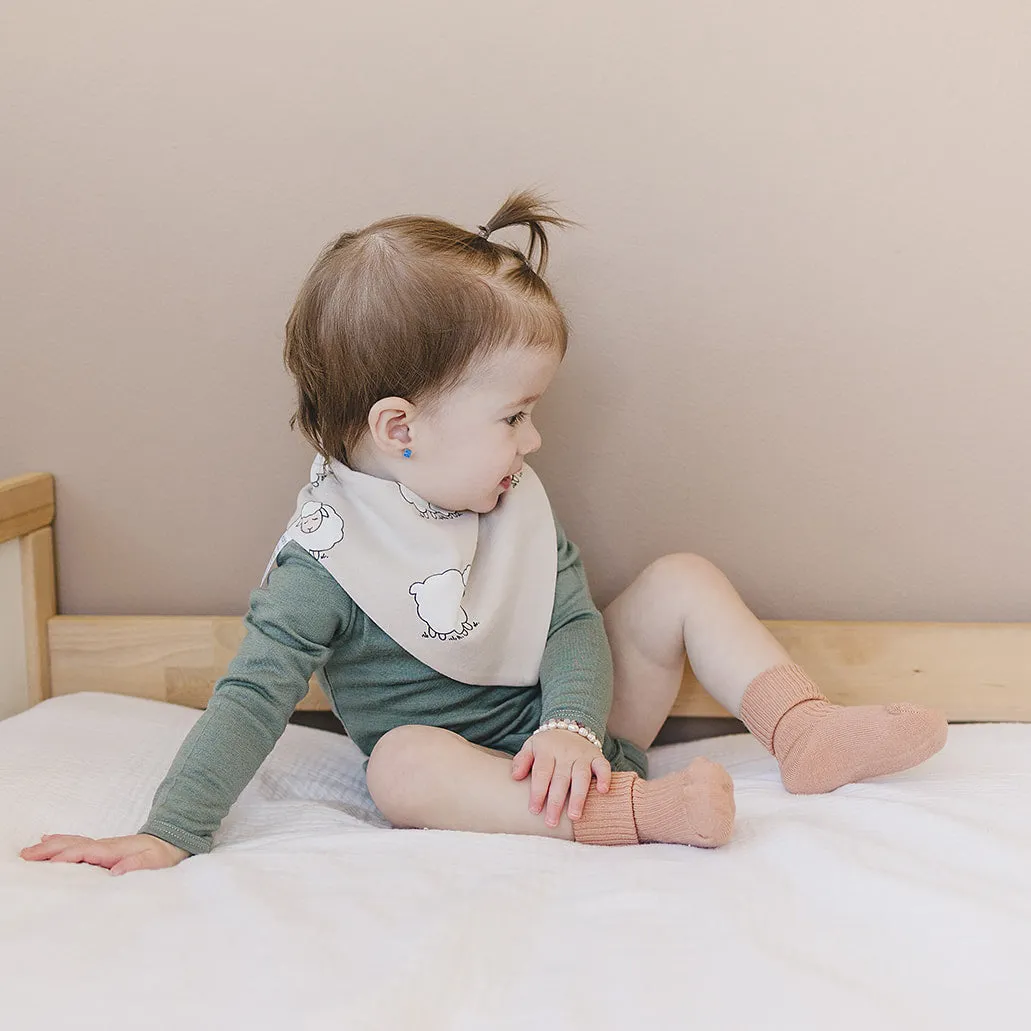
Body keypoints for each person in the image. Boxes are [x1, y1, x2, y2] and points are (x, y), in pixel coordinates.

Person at [21, 191, 948, 875]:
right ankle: (632, 813)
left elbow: (571, 623)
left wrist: (573, 727)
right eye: (513, 416)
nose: (532, 441)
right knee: (398, 766)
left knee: (680, 577)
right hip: (481, 777)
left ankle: (801, 729)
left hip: (577, 732)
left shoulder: (508, 500)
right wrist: (169, 831)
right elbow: (251, 697)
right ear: (400, 428)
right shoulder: (326, 560)